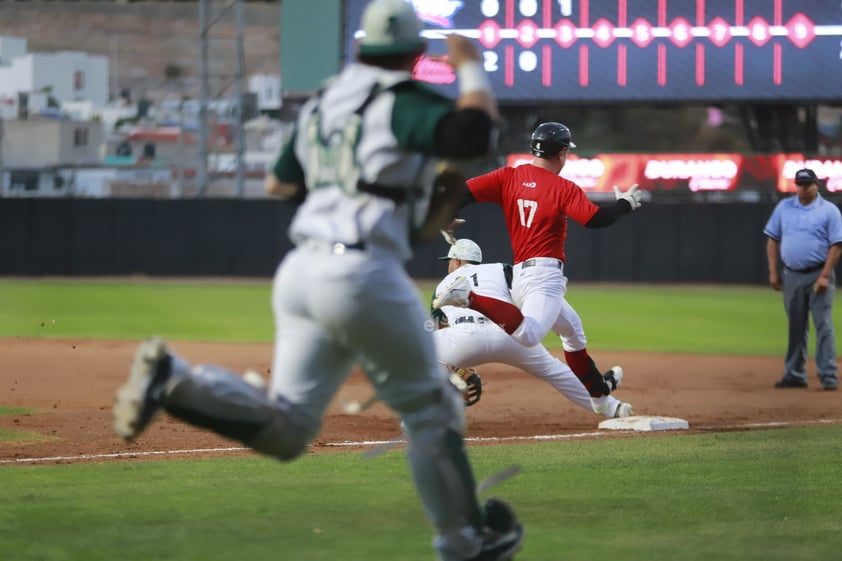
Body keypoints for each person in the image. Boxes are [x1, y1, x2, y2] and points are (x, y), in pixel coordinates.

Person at [112, 1, 523, 560]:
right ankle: (464, 541)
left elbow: (280, 185)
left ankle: (175, 381)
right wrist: (471, 66)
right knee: (432, 411)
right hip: (359, 273)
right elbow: (474, 134)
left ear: (359, 49)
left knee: (287, 430)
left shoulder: (322, 104)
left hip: (302, 269)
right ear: (414, 54)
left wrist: (350, 192)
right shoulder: (401, 98)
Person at [434, 122, 642, 400]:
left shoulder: (509, 176)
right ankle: (469, 297)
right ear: (562, 153)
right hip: (544, 276)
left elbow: (462, 193)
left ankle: (599, 393)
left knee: (573, 333)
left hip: (522, 276)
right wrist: (624, 204)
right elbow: (595, 219)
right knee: (528, 336)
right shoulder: (563, 188)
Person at [432, 238, 634, 418]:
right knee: (556, 371)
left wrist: (453, 369)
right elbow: (526, 295)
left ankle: (426, 415)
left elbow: (438, 327)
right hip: (509, 334)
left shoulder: (443, 286)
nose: (448, 266)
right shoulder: (500, 269)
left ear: (457, 261)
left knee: (424, 352)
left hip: (464, 339)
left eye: (449, 261)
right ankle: (612, 408)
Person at [763, 167, 842, 391]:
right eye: (799, 184)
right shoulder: (784, 207)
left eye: (807, 184)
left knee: (823, 324)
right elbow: (772, 239)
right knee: (796, 326)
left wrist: (825, 275)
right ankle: (795, 374)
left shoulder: (829, 210)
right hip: (792, 274)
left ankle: (828, 375)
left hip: (818, 273)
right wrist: (773, 271)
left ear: (817, 185)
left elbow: (836, 245)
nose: (802, 188)